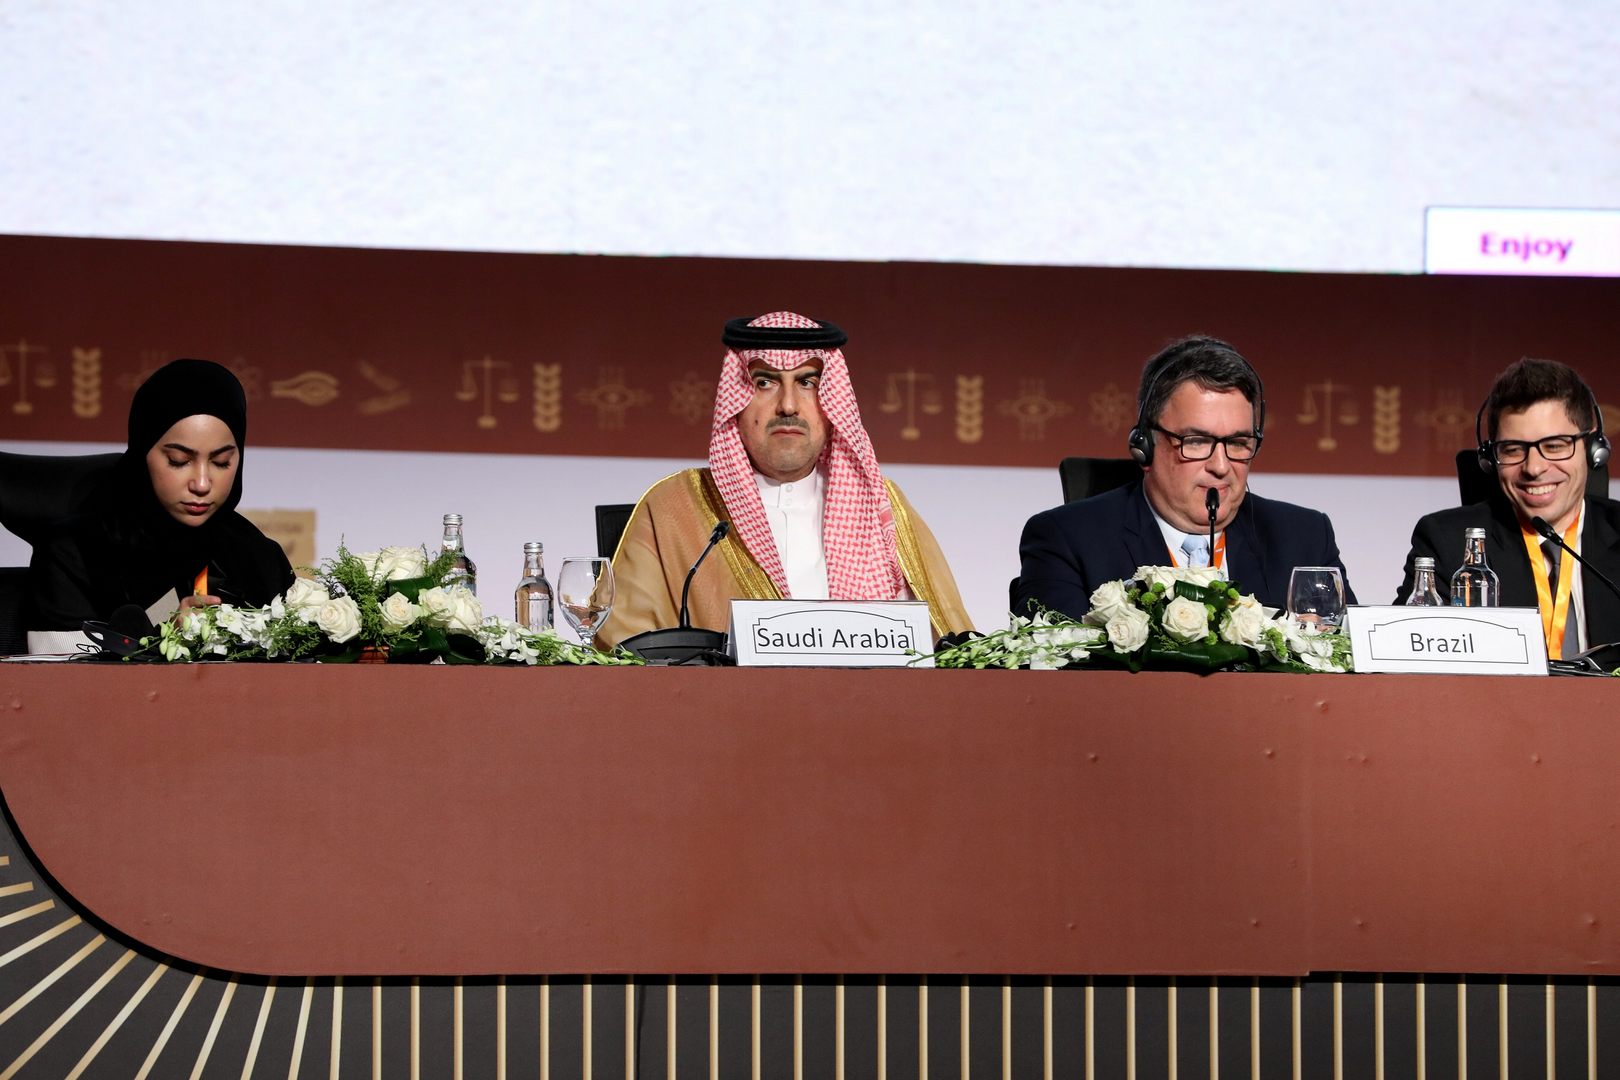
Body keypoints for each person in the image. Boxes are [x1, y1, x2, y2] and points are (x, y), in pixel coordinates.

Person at [599, 312, 972, 646]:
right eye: (765, 382)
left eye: (808, 382)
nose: (789, 405)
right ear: (736, 400)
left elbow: (950, 644)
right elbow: (625, 652)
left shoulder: (881, 505)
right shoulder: (674, 506)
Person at [1014, 335, 1354, 617]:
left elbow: (1354, 660)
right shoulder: (1067, 541)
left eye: (1238, 443)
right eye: (1197, 441)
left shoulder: (1304, 539)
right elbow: (1054, 668)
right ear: (1144, 446)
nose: (1221, 466)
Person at [26, 358, 295, 631]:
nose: (202, 484)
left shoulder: (260, 557)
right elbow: (60, 654)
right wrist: (163, 634)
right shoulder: (75, 554)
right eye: (179, 461)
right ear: (142, 453)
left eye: (221, 462)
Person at [1394, 357, 1620, 655]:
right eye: (1513, 450)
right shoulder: (1447, 543)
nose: (1534, 468)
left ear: (1593, 447)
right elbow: (1406, 654)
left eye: (1554, 446)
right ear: (1490, 460)